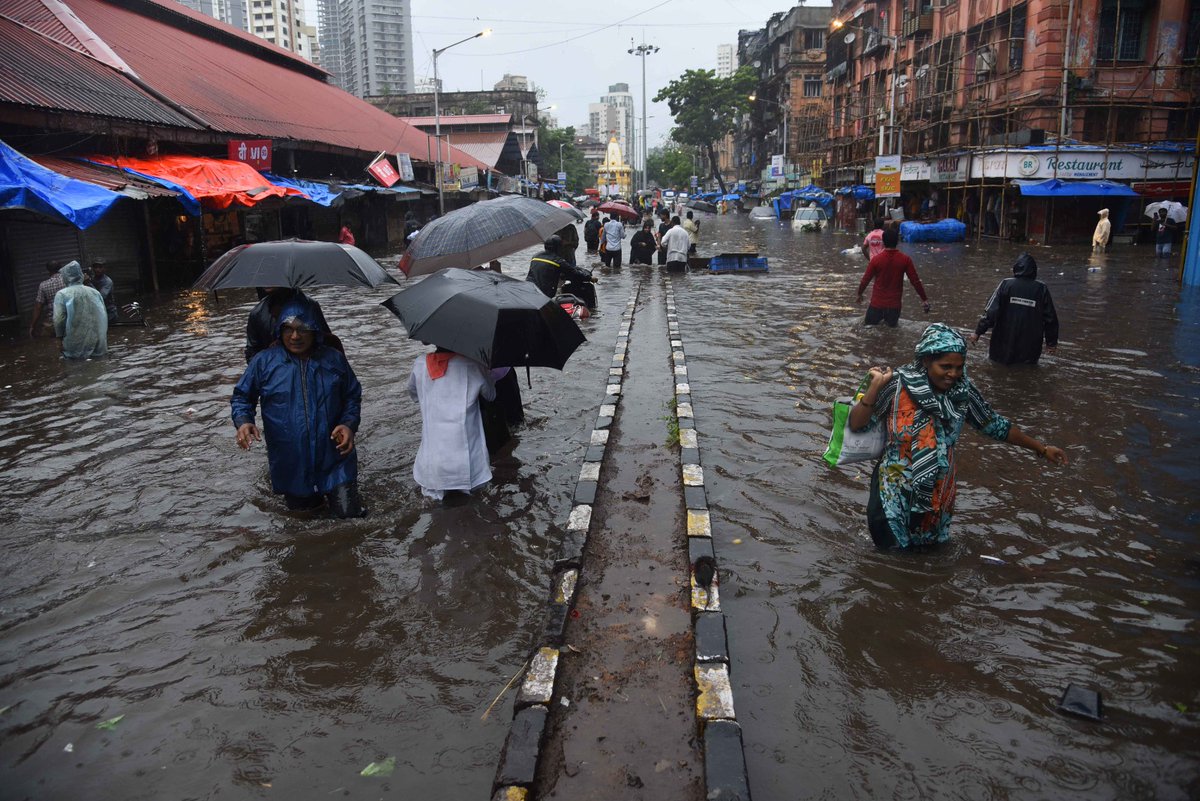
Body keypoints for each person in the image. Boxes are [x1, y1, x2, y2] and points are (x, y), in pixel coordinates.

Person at [848, 323, 1068, 550]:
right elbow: (857, 424)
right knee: (892, 560)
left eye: (959, 367)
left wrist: (1040, 448)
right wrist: (874, 387)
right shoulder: (896, 385)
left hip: (938, 495)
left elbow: (994, 425)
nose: (953, 374)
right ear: (925, 361)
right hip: (893, 494)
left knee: (927, 561)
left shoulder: (963, 393)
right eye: (945, 366)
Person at [231, 302, 365, 518]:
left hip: (336, 459)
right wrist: (244, 420)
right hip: (291, 462)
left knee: (349, 519)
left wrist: (349, 424)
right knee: (304, 523)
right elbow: (242, 396)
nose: (295, 336)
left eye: (303, 329)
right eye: (288, 329)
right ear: (279, 331)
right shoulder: (263, 363)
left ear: (314, 331)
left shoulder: (333, 360)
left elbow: (352, 395)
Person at [407, 346, 496, 502]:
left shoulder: (420, 363)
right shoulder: (473, 364)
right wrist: (488, 373)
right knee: (474, 505)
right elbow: (490, 395)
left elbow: (413, 394)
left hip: (433, 463)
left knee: (433, 506)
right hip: (468, 464)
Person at [970, 253, 1059, 365]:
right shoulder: (1041, 288)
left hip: (1003, 341)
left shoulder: (1006, 284)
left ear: (1016, 268)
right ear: (1034, 270)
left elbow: (990, 311)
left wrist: (978, 332)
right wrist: (1051, 343)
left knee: (998, 368)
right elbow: (1050, 319)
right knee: (1026, 371)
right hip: (1030, 344)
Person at [856, 226, 931, 327]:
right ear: (897, 242)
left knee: (869, 331)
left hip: (876, 305)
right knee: (891, 335)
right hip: (894, 307)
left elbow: (865, 280)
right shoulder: (905, 260)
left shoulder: (876, 260)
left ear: (883, 242)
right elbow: (915, 281)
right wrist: (924, 300)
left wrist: (859, 294)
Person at [245, 288, 341, 363]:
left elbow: (326, 341)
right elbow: (252, 351)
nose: (295, 336)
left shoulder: (310, 306)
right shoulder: (257, 313)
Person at [53, 261, 108, 359]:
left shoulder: (62, 294)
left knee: (76, 369)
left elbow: (59, 319)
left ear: (66, 276)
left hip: (75, 342)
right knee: (99, 368)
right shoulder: (95, 292)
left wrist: (59, 339)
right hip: (98, 341)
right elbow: (103, 316)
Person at [525, 235, 595, 299]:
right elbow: (574, 273)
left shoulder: (536, 256)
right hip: (545, 292)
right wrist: (590, 278)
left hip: (529, 287)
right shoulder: (558, 261)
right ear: (558, 248)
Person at [28, 260, 65, 338]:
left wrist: (32, 326)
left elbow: (38, 307)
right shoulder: (68, 280)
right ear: (61, 268)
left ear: (48, 270)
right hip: (70, 320)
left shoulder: (43, 285)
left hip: (53, 322)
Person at [87, 258, 119, 323]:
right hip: (98, 312)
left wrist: (88, 283)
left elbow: (100, 297)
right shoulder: (92, 279)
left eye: (100, 267)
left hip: (109, 313)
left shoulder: (107, 282)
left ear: (104, 269)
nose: (97, 269)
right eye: (95, 267)